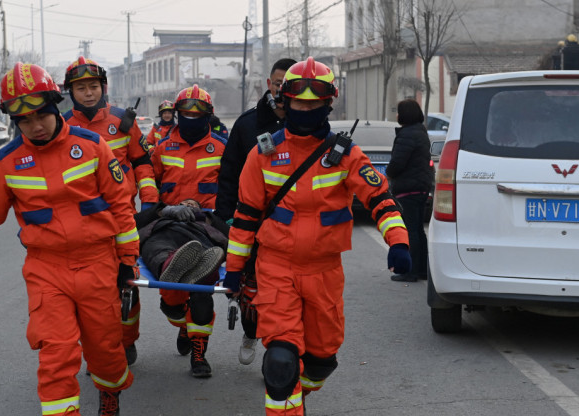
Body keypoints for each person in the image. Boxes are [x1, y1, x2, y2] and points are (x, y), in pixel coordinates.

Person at [222, 57, 411, 415]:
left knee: (322, 360)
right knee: (280, 362)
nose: (305, 108)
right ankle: (287, 394)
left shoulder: (346, 155)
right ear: (286, 101)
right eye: (299, 102)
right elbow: (245, 217)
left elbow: (380, 199)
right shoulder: (263, 154)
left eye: (314, 102)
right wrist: (234, 268)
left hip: (324, 272)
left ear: (327, 103)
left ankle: (298, 393)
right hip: (276, 268)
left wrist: (398, 240)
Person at [0, 62, 138, 416]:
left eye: (41, 116)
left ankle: (110, 391)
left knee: (106, 352)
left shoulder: (94, 146)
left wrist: (127, 259)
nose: (35, 126)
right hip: (46, 270)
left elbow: (121, 208)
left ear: (55, 107)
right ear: (14, 122)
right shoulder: (7, 161)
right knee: (56, 353)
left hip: (98, 264)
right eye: (24, 121)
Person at [62, 56, 158, 365]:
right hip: (80, 227)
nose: (88, 93)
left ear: (103, 87)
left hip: (122, 220)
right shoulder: (61, 127)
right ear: (70, 92)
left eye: (93, 86)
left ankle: (126, 342)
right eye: (80, 88)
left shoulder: (123, 123)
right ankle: (99, 352)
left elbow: (143, 162)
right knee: (89, 294)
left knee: (125, 284)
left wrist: (151, 200)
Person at [215, 57, 296, 365]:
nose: (283, 90)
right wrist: (225, 216)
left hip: (290, 230)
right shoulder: (248, 125)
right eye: (278, 84)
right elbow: (228, 172)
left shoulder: (305, 126)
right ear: (269, 85)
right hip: (250, 223)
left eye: (290, 85)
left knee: (283, 294)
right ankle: (251, 332)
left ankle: (278, 356)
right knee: (251, 292)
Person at [150, 84, 227, 378]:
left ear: (208, 116)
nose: (192, 118)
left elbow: (231, 192)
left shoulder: (221, 148)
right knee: (171, 292)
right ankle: (181, 321)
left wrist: (204, 207)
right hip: (169, 222)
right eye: (185, 113)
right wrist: (160, 210)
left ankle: (199, 353)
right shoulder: (162, 148)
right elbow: (149, 188)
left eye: (198, 114)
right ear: (178, 115)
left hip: (205, 225)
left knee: (202, 286)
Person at [386, 99, 432, 282]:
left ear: (405, 114)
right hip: (420, 187)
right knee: (418, 230)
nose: (397, 115)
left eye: (399, 112)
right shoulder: (420, 132)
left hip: (408, 188)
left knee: (410, 230)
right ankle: (422, 269)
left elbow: (398, 162)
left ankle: (410, 271)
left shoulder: (407, 134)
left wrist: (389, 174)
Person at [135, 199, 228, 285]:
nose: (189, 204)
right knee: (156, 249)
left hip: (198, 236)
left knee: (207, 252)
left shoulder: (207, 218)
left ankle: (199, 271)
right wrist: (163, 211)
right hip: (163, 233)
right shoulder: (162, 213)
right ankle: (169, 267)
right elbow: (135, 221)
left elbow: (229, 234)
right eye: (185, 202)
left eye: (193, 204)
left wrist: (207, 218)